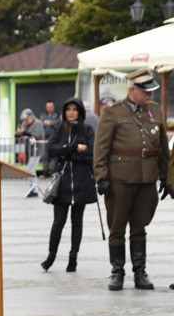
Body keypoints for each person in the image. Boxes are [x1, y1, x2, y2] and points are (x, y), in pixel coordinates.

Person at [92, 67, 170, 291]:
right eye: (146, 91)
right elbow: (101, 148)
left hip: (147, 179)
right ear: (133, 90)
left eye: (152, 91)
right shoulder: (113, 112)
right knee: (117, 227)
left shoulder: (155, 111)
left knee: (140, 226)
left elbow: (163, 149)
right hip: (120, 180)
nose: (150, 95)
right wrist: (101, 177)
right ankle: (117, 272)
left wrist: (166, 178)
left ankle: (140, 272)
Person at [41, 97, 97, 272]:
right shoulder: (58, 128)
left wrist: (68, 152)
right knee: (58, 221)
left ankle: (73, 257)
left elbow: (90, 155)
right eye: (68, 109)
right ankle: (51, 256)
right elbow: (51, 150)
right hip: (63, 183)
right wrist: (73, 148)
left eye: (75, 109)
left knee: (77, 222)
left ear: (80, 111)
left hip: (82, 182)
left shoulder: (87, 130)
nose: (71, 112)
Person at [16, 108, 46, 197]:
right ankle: (33, 188)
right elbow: (21, 133)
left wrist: (24, 132)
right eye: (24, 120)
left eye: (26, 119)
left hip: (37, 149)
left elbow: (36, 135)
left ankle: (34, 189)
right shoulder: (25, 123)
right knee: (31, 169)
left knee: (30, 169)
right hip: (29, 150)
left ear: (31, 117)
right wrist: (18, 133)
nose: (25, 122)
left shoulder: (38, 123)